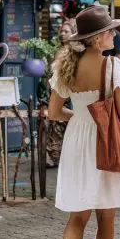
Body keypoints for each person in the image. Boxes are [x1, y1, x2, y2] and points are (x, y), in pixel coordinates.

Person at [48, 6, 120, 239]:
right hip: (104, 141)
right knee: (106, 215)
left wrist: (80, 115)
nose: (114, 34)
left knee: (77, 214)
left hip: (76, 140)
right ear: (97, 39)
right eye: (109, 31)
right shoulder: (113, 68)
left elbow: (54, 112)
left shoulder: (66, 67)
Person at [45, 20, 76, 168]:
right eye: (61, 31)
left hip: (69, 98)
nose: (63, 34)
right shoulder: (55, 52)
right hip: (55, 95)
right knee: (54, 131)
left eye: (66, 32)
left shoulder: (75, 54)